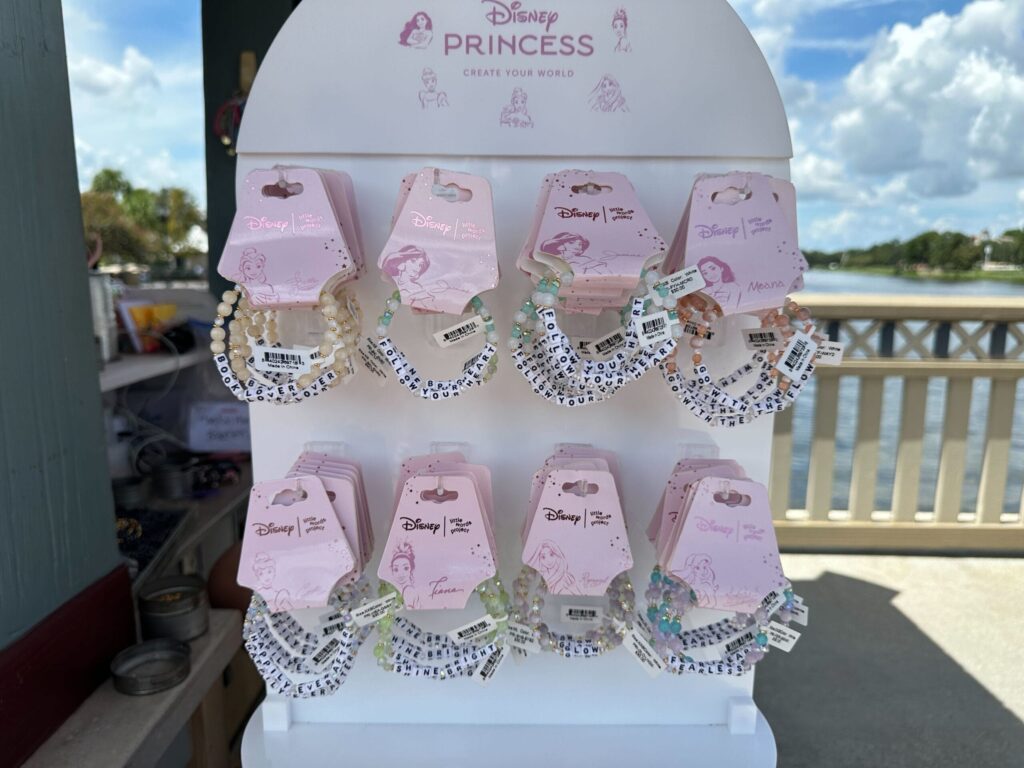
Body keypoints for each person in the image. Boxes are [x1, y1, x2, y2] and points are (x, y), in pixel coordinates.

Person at [381, 244, 467, 309]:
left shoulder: (418, 289)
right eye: (413, 261)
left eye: (420, 264)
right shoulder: (393, 281)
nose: (417, 267)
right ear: (401, 263)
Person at [539, 232, 612, 274]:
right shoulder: (552, 260)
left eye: (580, 244)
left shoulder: (585, 260)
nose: (577, 245)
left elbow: (606, 273)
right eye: (571, 242)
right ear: (560, 246)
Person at [389, 542, 423, 609]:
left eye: (405, 568)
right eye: (396, 569)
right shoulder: (403, 590)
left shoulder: (408, 591)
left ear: (411, 569)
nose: (401, 574)